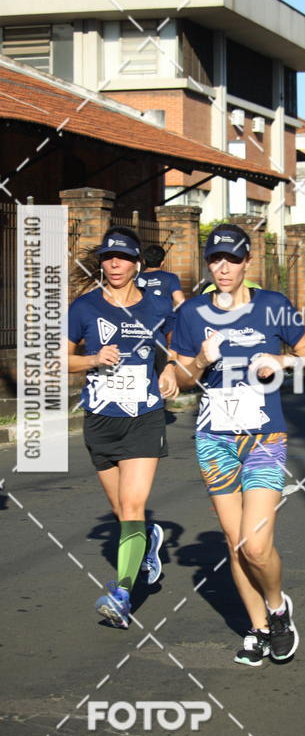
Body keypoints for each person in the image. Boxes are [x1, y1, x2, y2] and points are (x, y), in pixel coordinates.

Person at [172, 223, 305, 666]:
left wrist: (281, 360)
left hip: (264, 437)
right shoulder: (192, 313)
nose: (223, 268)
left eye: (232, 259)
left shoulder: (273, 306)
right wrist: (201, 359)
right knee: (234, 541)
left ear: (247, 262)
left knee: (256, 545)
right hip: (214, 438)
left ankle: (277, 609)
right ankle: (256, 629)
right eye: (215, 259)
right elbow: (178, 379)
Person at [68, 226, 179, 628]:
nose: (114, 264)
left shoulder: (156, 307)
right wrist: (93, 359)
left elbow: (174, 347)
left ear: (136, 264)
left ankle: (121, 594)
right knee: (121, 513)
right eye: (108, 257)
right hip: (100, 420)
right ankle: (148, 537)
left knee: (132, 506)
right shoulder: (84, 308)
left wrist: (168, 369)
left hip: (144, 418)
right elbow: (62, 360)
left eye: (123, 258)